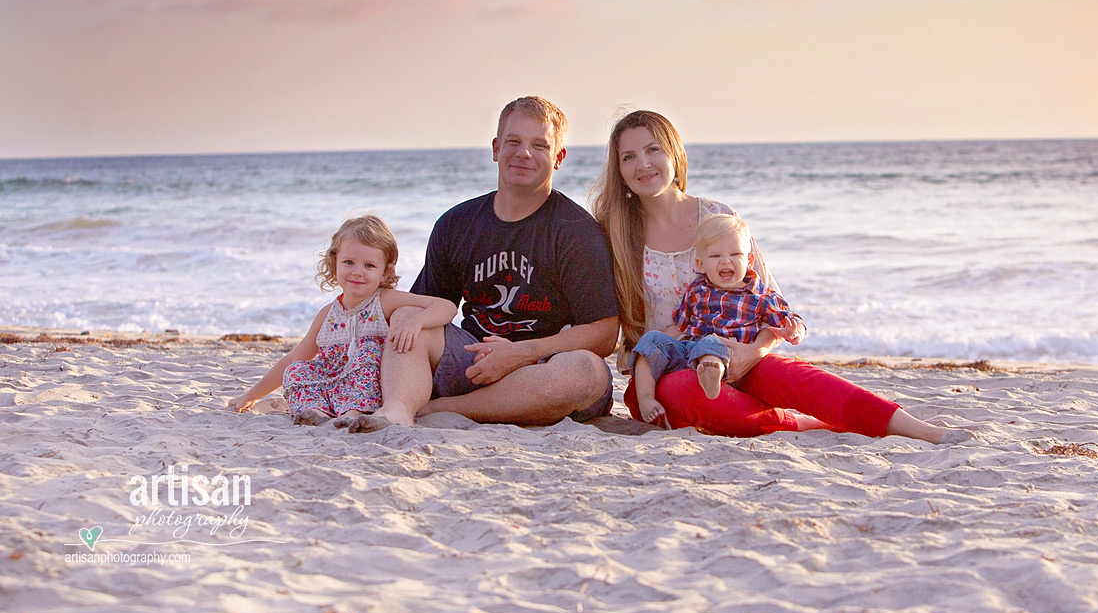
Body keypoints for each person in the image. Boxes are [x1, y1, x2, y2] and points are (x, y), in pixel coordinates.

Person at [592, 110, 956, 441]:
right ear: (619, 169)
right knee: (692, 393)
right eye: (629, 157)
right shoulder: (616, 234)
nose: (643, 164)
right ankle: (800, 424)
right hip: (668, 373)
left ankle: (914, 428)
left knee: (796, 378)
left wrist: (754, 352)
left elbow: (768, 301)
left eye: (653, 150)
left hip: (741, 349)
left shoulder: (716, 216)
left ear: (674, 153)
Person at [353, 96, 618, 430]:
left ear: (558, 157)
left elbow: (604, 333)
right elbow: (429, 305)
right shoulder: (456, 224)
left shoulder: (576, 232)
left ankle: (444, 408)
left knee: (586, 372)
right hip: (474, 360)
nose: (524, 153)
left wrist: (522, 354)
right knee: (409, 319)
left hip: (543, 369)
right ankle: (398, 411)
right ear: (495, 148)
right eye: (513, 141)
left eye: (539, 145)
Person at [228, 216, 456, 423]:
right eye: (349, 262)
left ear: (385, 272)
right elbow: (296, 356)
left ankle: (355, 413)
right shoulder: (328, 314)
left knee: (368, 352)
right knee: (296, 369)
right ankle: (315, 412)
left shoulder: (385, 300)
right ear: (334, 262)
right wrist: (251, 395)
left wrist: (416, 322)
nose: (358, 271)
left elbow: (446, 306)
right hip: (335, 386)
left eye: (369, 266)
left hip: (370, 387)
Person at [630, 212, 804, 416]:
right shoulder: (697, 290)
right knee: (650, 340)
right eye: (715, 256)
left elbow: (790, 320)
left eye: (735, 255)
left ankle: (711, 375)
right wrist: (654, 348)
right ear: (701, 264)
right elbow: (681, 326)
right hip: (689, 352)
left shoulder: (760, 295)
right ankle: (646, 399)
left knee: (712, 342)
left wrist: (795, 332)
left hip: (730, 356)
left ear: (749, 259)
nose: (725, 262)